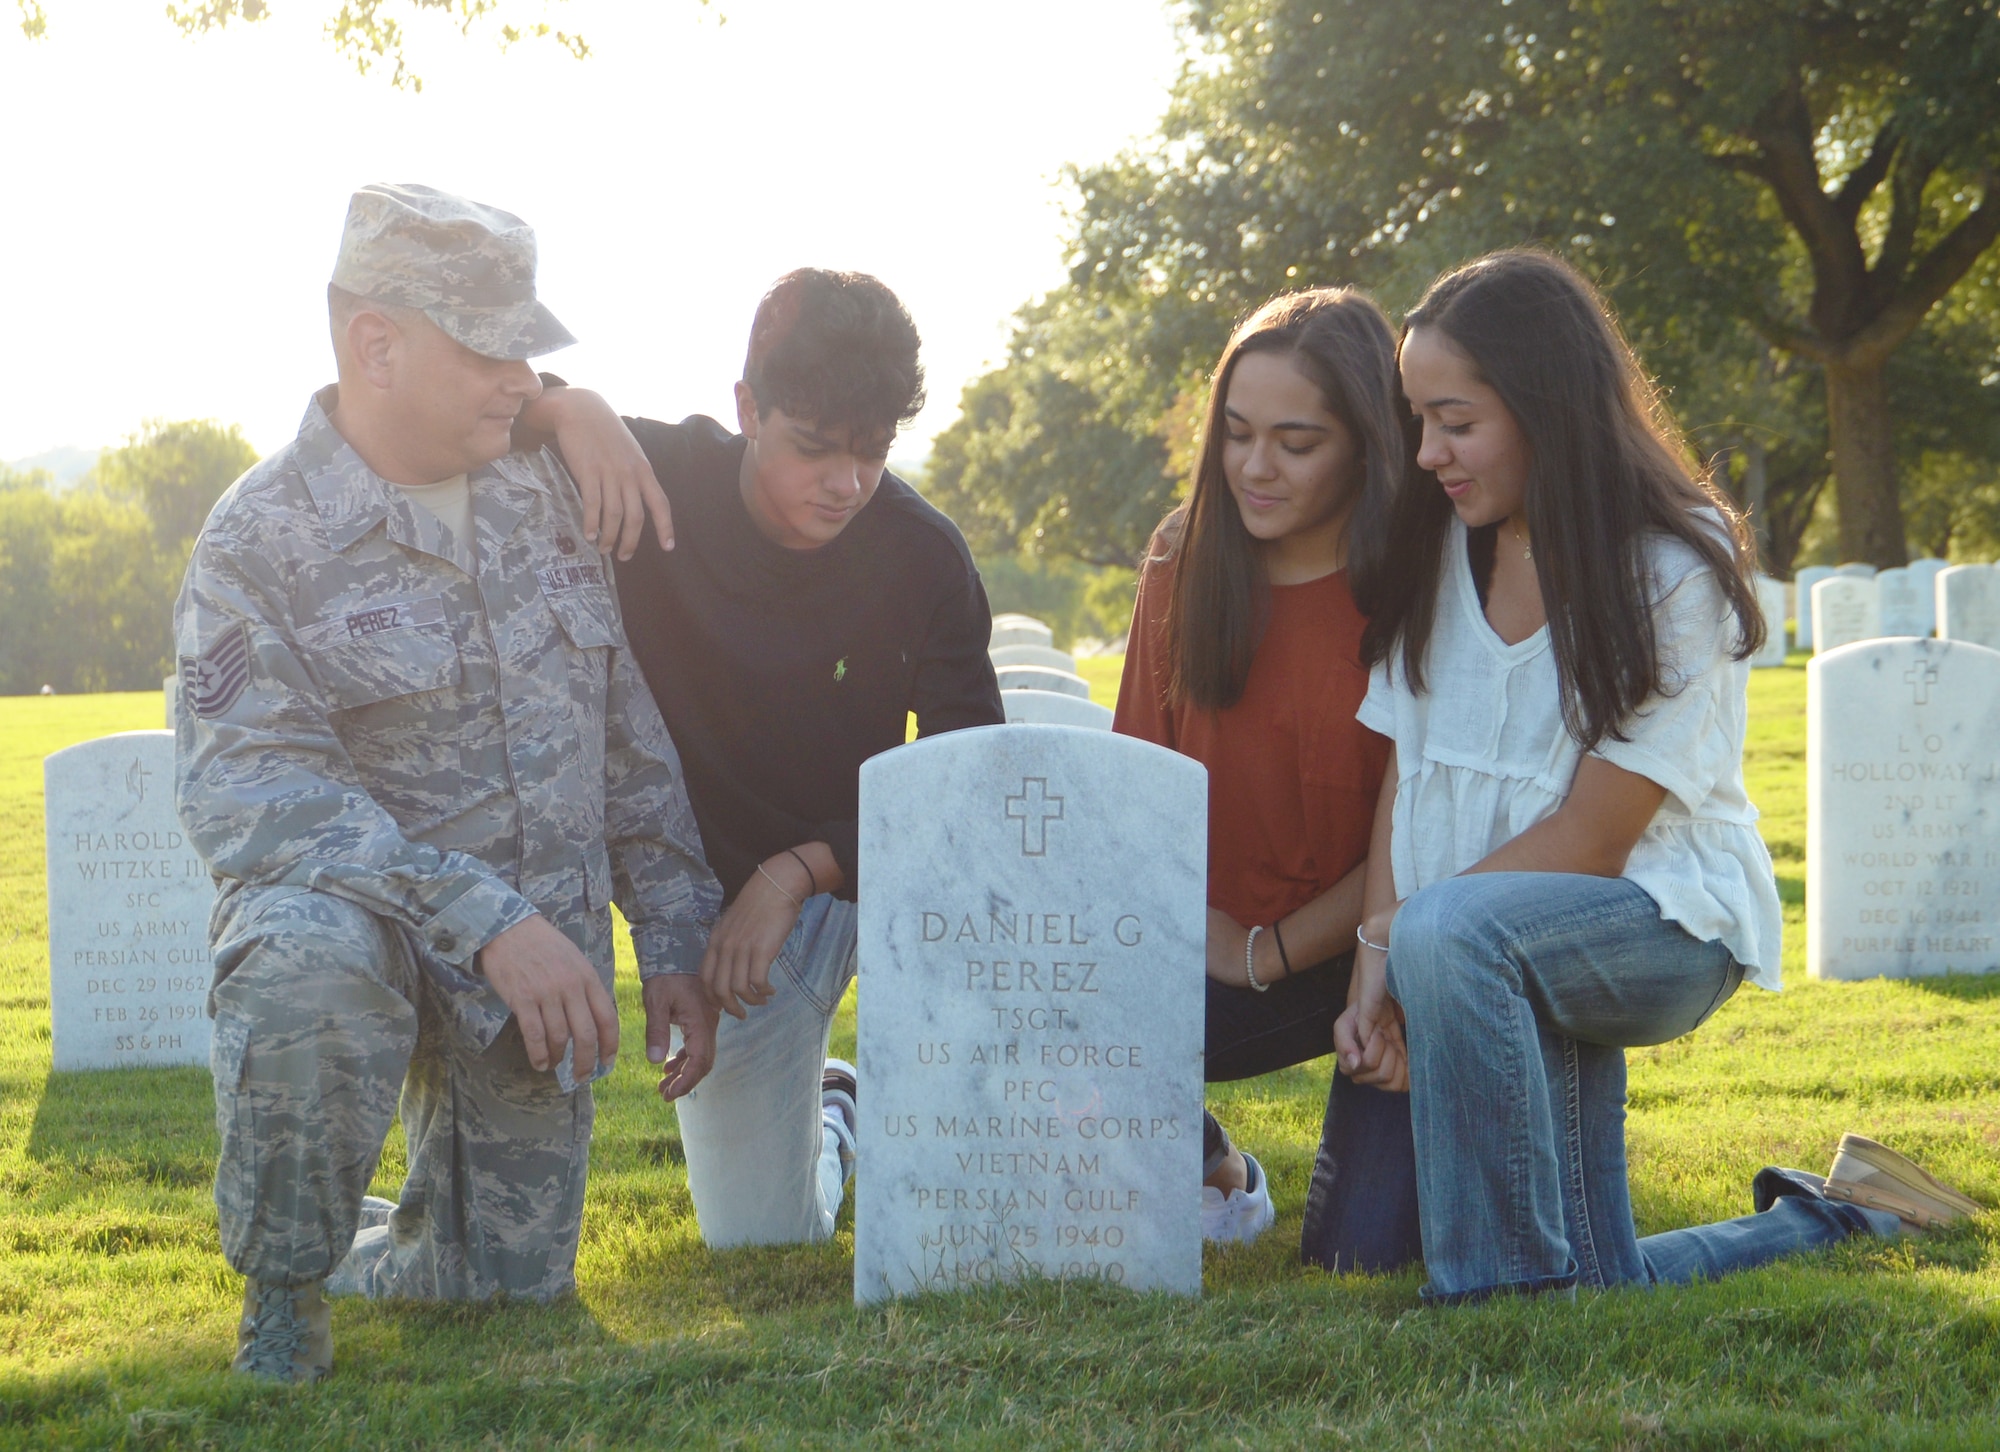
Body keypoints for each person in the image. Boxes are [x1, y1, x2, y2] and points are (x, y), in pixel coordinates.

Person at [1336, 248, 1979, 1304]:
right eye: (1416, 419)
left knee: (1453, 933)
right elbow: (1407, 776)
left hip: (1656, 924)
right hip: (1471, 940)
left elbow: (1592, 843)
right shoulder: (1436, 552)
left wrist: (1422, 949)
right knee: (1603, 1277)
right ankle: (1846, 1210)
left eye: (1454, 421)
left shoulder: (1668, 572)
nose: (1425, 454)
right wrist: (1377, 960)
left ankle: (1493, 1299)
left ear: (1546, 407)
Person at [174, 184, 721, 1383]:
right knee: (300, 957)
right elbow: (252, 795)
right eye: (490, 347)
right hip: (371, 944)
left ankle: (401, 1247)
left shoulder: (548, 500)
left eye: (530, 352)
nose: (520, 378)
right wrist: (482, 917)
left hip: (537, 982)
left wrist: (673, 932)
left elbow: (621, 729)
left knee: (494, 1296)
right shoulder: (259, 541)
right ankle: (286, 1291)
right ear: (377, 343)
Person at [516, 268, 1005, 1248]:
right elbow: (481, 411)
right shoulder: (649, 476)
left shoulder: (922, 556)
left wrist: (802, 870)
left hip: (866, 875)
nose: (845, 483)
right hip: (719, 916)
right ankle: (832, 1113)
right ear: (746, 408)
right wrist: (569, 409)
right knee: (760, 1241)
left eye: (871, 452)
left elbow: (968, 787)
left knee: (1020, 926)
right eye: (813, 448)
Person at [1113, 288, 1422, 1266]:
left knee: (1356, 1260)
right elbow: (1136, 783)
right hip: (1201, 949)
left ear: (1367, 441)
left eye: (1295, 443)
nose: (1254, 466)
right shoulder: (1181, 558)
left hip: (1378, 954)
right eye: (1236, 434)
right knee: (1035, 1043)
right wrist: (1185, 943)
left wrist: (1269, 950)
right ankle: (1209, 1163)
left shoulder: (1420, 586)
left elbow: (1416, 827)